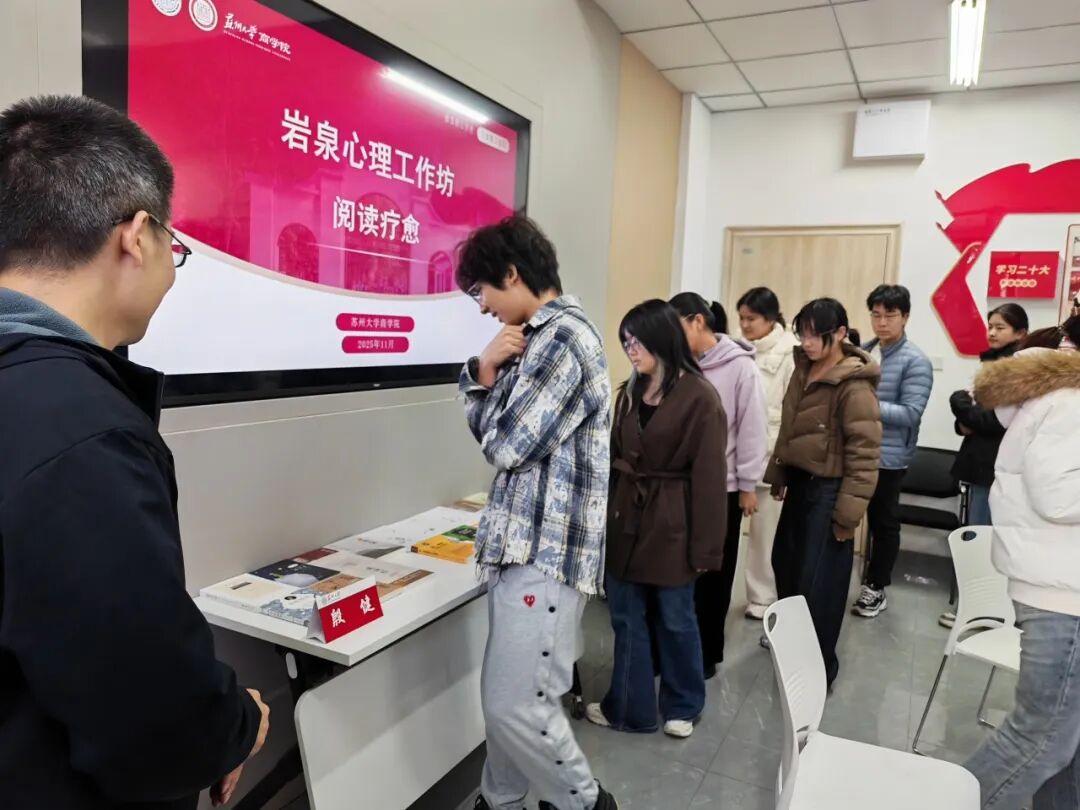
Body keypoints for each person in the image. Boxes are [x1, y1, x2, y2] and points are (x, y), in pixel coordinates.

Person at [0, 96, 269, 810]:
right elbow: (154, 718)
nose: (171, 274)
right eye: (175, 251)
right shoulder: (81, 431)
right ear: (137, 236)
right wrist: (238, 726)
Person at [457, 215, 617, 810]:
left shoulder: (563, 339)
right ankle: (500, 801)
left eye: (481, 290)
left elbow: (504, 444)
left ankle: (585, 804)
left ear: (511, 273)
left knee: (515, 706)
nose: (482, 306)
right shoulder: (534, 340)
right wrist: (484, 375)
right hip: (524, 551)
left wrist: (481, 376)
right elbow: (498, 432)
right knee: (510, 702)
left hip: (544, 556)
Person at [586, 299, 728, 739]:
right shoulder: (629, 392)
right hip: (626, 517)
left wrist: (706, 549)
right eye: (625, 342)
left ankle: (684, 704)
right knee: (626, 617)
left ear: (662, 339)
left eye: (637, 341)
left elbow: (710, 480)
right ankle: (630, 707)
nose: (631, 350)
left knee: (675, 617)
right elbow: (613, 460)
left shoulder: (701, 398)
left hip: (672, 522)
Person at [963, 317, 1080, 808]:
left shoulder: (1058, 393)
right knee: (1040, 737)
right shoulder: (1070, 400)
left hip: (1058, 581)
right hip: (1063, 593)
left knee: (1065, 745)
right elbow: (1058, 496)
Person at [766, 298, 881, 686]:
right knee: (786, 565)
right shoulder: (803, 367)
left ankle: (818, 670)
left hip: (830, 493)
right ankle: (792, 649)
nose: (808, 342)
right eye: (803, 333)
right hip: (801, 484)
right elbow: (789, 427)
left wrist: (847, 516)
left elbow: (865, 455)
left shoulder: (854, 384)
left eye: (817, 335)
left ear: (841, 333)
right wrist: (780, 473)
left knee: (820, 585)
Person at [669, 292, 767, 676]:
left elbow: (753, 430)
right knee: (680, 571)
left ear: (698, 321)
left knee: (714, 575)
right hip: (680, 487)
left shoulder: (741, 367)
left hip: (722, 489)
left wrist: (747, 485)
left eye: (676, 327)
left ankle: (706, 654)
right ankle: (676, 648)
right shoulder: (680, 365)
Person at [853, 284, 933, 619]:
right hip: (855, 450)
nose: (882, 322)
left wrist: (865, 404)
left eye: (890, 315)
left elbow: (910, 414)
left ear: (906, 317)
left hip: (888, 456)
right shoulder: (864, 351)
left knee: (883, 523)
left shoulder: (916, 361)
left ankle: (876, 586)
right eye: (876, 315)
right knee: (845, 516)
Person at [737, 287, 798, 620]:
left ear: (771, 318)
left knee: (765, 535)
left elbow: (792, 412)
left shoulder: (790, 352)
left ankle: (763, 597)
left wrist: (783, 462)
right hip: (737, 452)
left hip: (770, 452)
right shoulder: (738, 348)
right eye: (742, 318)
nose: (745, 325)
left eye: (752, 318)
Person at [950, 303, 1029, 526]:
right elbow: (975, 406)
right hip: (979, 456)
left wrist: (958, 403)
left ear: (1020, 333)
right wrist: (963, 419)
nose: (992, 333)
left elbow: (994, 420)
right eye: (990, 326)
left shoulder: (1016, 367)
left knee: (981, 530)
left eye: (1000, 328)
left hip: (994, 461)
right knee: (975, 525)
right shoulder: (991, 360)